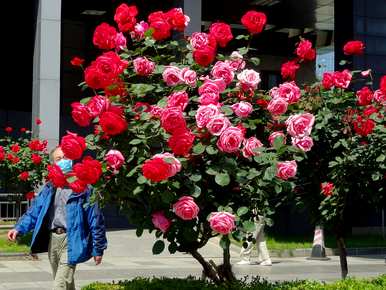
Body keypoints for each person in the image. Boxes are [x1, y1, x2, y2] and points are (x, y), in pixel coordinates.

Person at [7, 146, 107, 290]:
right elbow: (35, 211)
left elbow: (96, 219)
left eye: (65, 157)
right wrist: (19, 228)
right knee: (65, 283)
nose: (63, 161)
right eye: (58, 159)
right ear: (53, 164)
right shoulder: (50, 187)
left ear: (72, 159)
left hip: (72, 238)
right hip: (53, 239)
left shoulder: (84, 188)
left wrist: (98, 248)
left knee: (59, 284)